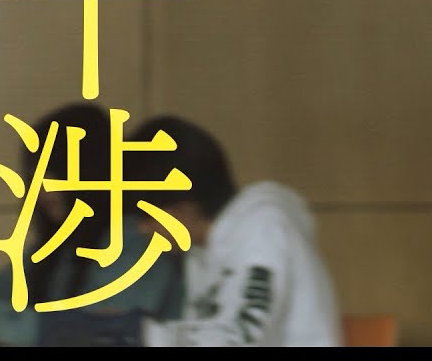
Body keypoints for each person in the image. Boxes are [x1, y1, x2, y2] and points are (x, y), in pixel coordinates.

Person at [36, 114, 342, 346]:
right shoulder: (200, 253)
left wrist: (138, 332)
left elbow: (237, 338)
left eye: (146, 217)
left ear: (183, 209)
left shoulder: (265, 227)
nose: (142, 230)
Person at [0, 102, 184, 346]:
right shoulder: (60, 244)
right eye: (34, 174)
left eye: (51, 171)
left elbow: (102, 333)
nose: (40, 187)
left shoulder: (135, 239)